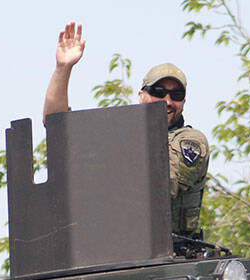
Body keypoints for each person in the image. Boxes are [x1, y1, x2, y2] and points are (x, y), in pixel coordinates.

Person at [42, 22, 210, 239]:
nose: (167, 101)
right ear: (141, 96)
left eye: (176, 95)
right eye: (158, 92)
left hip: (169, 252)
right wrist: (63, 69)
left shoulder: (190, 142)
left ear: (184, 102)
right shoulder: (120, 134)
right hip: (111, 247)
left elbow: (161, 186)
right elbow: (57, 127)